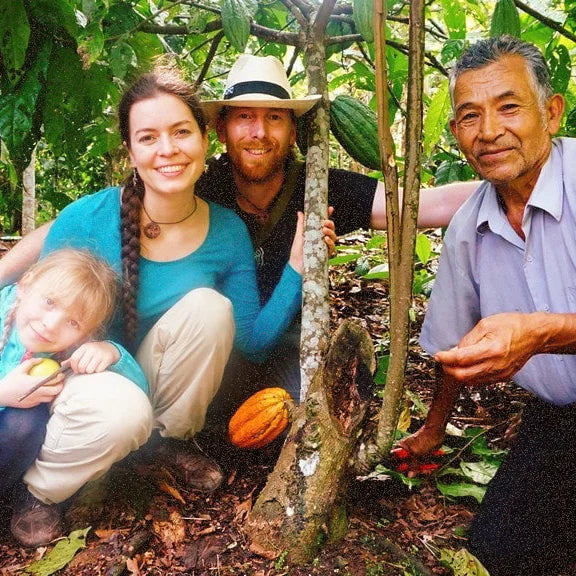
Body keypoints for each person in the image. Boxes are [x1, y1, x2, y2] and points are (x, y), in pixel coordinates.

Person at [3, 60, 324, 549]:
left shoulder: (225, 230)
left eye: (180, 132)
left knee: (209, 308)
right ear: (130, 151)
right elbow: (36, 322)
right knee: (119, 413)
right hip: (77, 382)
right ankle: (41, 491)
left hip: (147, 380)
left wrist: (298, 267)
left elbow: (252, 343)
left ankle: (167, 444)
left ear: (204, 140)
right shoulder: (87, 219)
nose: (168, 150)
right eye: (148, 137)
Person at [398, 36, 576, 575]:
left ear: (551, 111)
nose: (489, 131)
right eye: (470, 116)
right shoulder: (467, 231)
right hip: (559, 420)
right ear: (455, 133)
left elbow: (539, 334)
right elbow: (452, 347)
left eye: (509, 107)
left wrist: (542, 334)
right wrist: (432, 430)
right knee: (499, 553)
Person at [1, 249, 148, 547]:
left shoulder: (64, 352)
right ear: (26, 283)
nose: (52, 324)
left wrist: (112, 353)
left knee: (26, 422)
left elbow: (139, 393)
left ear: (85, 334)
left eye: (73, 323)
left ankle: (17, 496)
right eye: (49, 302)